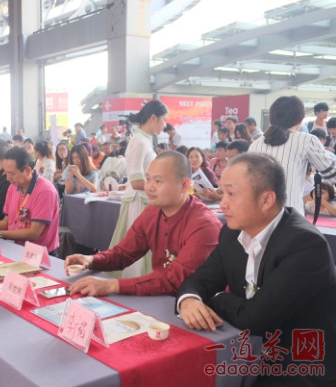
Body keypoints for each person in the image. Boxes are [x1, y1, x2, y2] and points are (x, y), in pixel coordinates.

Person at [176, 153, 336, 387]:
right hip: (246, 352)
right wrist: (189, 300)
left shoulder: (305, 245)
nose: (222, 203)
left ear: (266, 199)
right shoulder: (232, 233)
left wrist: (216, 297)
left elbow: (257, 318)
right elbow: (200, 280)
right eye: (222, 192)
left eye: (231, 194)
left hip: (299, 364)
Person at [66, 151, 222, 296]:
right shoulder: (153, 211)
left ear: (184, 185)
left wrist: (112, 285)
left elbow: (173, 280)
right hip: (160, 298)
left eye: (158, 181)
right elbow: (123, 253)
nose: (150, 187)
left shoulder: (204, 225)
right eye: (148, 179)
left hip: (197, 304)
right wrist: (92, 260)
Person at [109, 100, 168, 278]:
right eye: (164, 119)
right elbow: (136, 181)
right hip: (138, 200)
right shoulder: (139, 142)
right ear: (153, 118)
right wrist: (164, 187)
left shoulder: (143, 140)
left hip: (143, 198)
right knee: (137, 250)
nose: (165, 125)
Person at [249, 96, 336, 214]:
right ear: (300, 119)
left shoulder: (255, 144)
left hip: (258, 213)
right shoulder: (306, 140)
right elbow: (333, 174)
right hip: (290, 215)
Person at [0, 147, 59, 255]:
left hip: (39, 254)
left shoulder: (45, 191)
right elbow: (7, 222)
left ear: (27, 171)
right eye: (6, 173)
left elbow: (33, 233)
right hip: (16, 247)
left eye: (11, 173)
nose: (8, 178)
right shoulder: (13, 187)